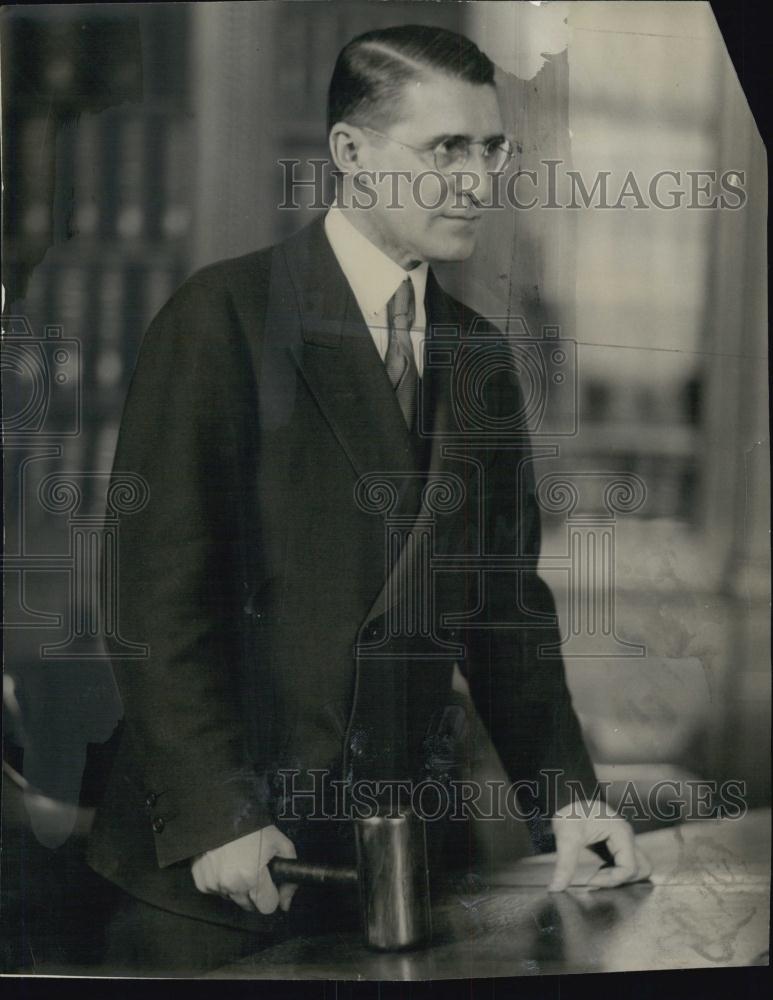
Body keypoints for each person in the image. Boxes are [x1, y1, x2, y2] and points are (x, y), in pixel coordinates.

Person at [86, 24, 650, 975]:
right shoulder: (219, 319)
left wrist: (572, 804)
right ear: (349, 153)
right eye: (445, 150)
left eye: (491, 147)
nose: (477, 181)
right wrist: (223, 815)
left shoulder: (477, 355)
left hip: (400, 869)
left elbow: (506, 615)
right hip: (221, 879)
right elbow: (152, 603)